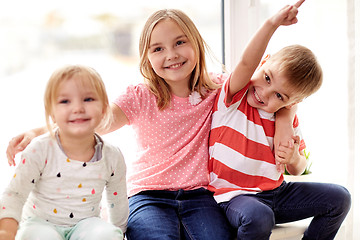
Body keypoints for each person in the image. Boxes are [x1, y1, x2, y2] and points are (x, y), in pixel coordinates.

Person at [5, 7, 297, 240]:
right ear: (146, 56)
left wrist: (271, 24)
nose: (171, 55)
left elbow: (262, 77)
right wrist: (38, 131)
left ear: (195, 43)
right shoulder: (141, 95)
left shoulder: (216, 90)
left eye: (180, 42)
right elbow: (97, 121)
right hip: (148, 196)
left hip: (201, 197)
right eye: (157, 48)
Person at [207, 1, 351, 239]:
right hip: (235, 196)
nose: (264, 93)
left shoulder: (286, 120)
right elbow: (245, 62)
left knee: (340, 198)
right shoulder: (234, 98)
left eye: (279, 95)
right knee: (259, 217)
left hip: (277, 193)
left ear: (292, 102)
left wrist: (294, 158)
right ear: (263, 62)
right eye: (266, 77)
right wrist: (273, 23)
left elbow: (298, 169)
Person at [0, 65, 128, 240]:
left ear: (104, 108)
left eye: (88, 99)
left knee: (107, 234)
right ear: (51, 112)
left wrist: (118, 232)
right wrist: (6, 232)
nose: (77, 108)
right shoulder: (39, 149)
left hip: (86, 224)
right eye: (65, 101)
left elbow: (118, 202)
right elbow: (15, 194)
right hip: (40, 223)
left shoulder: (112, 155)